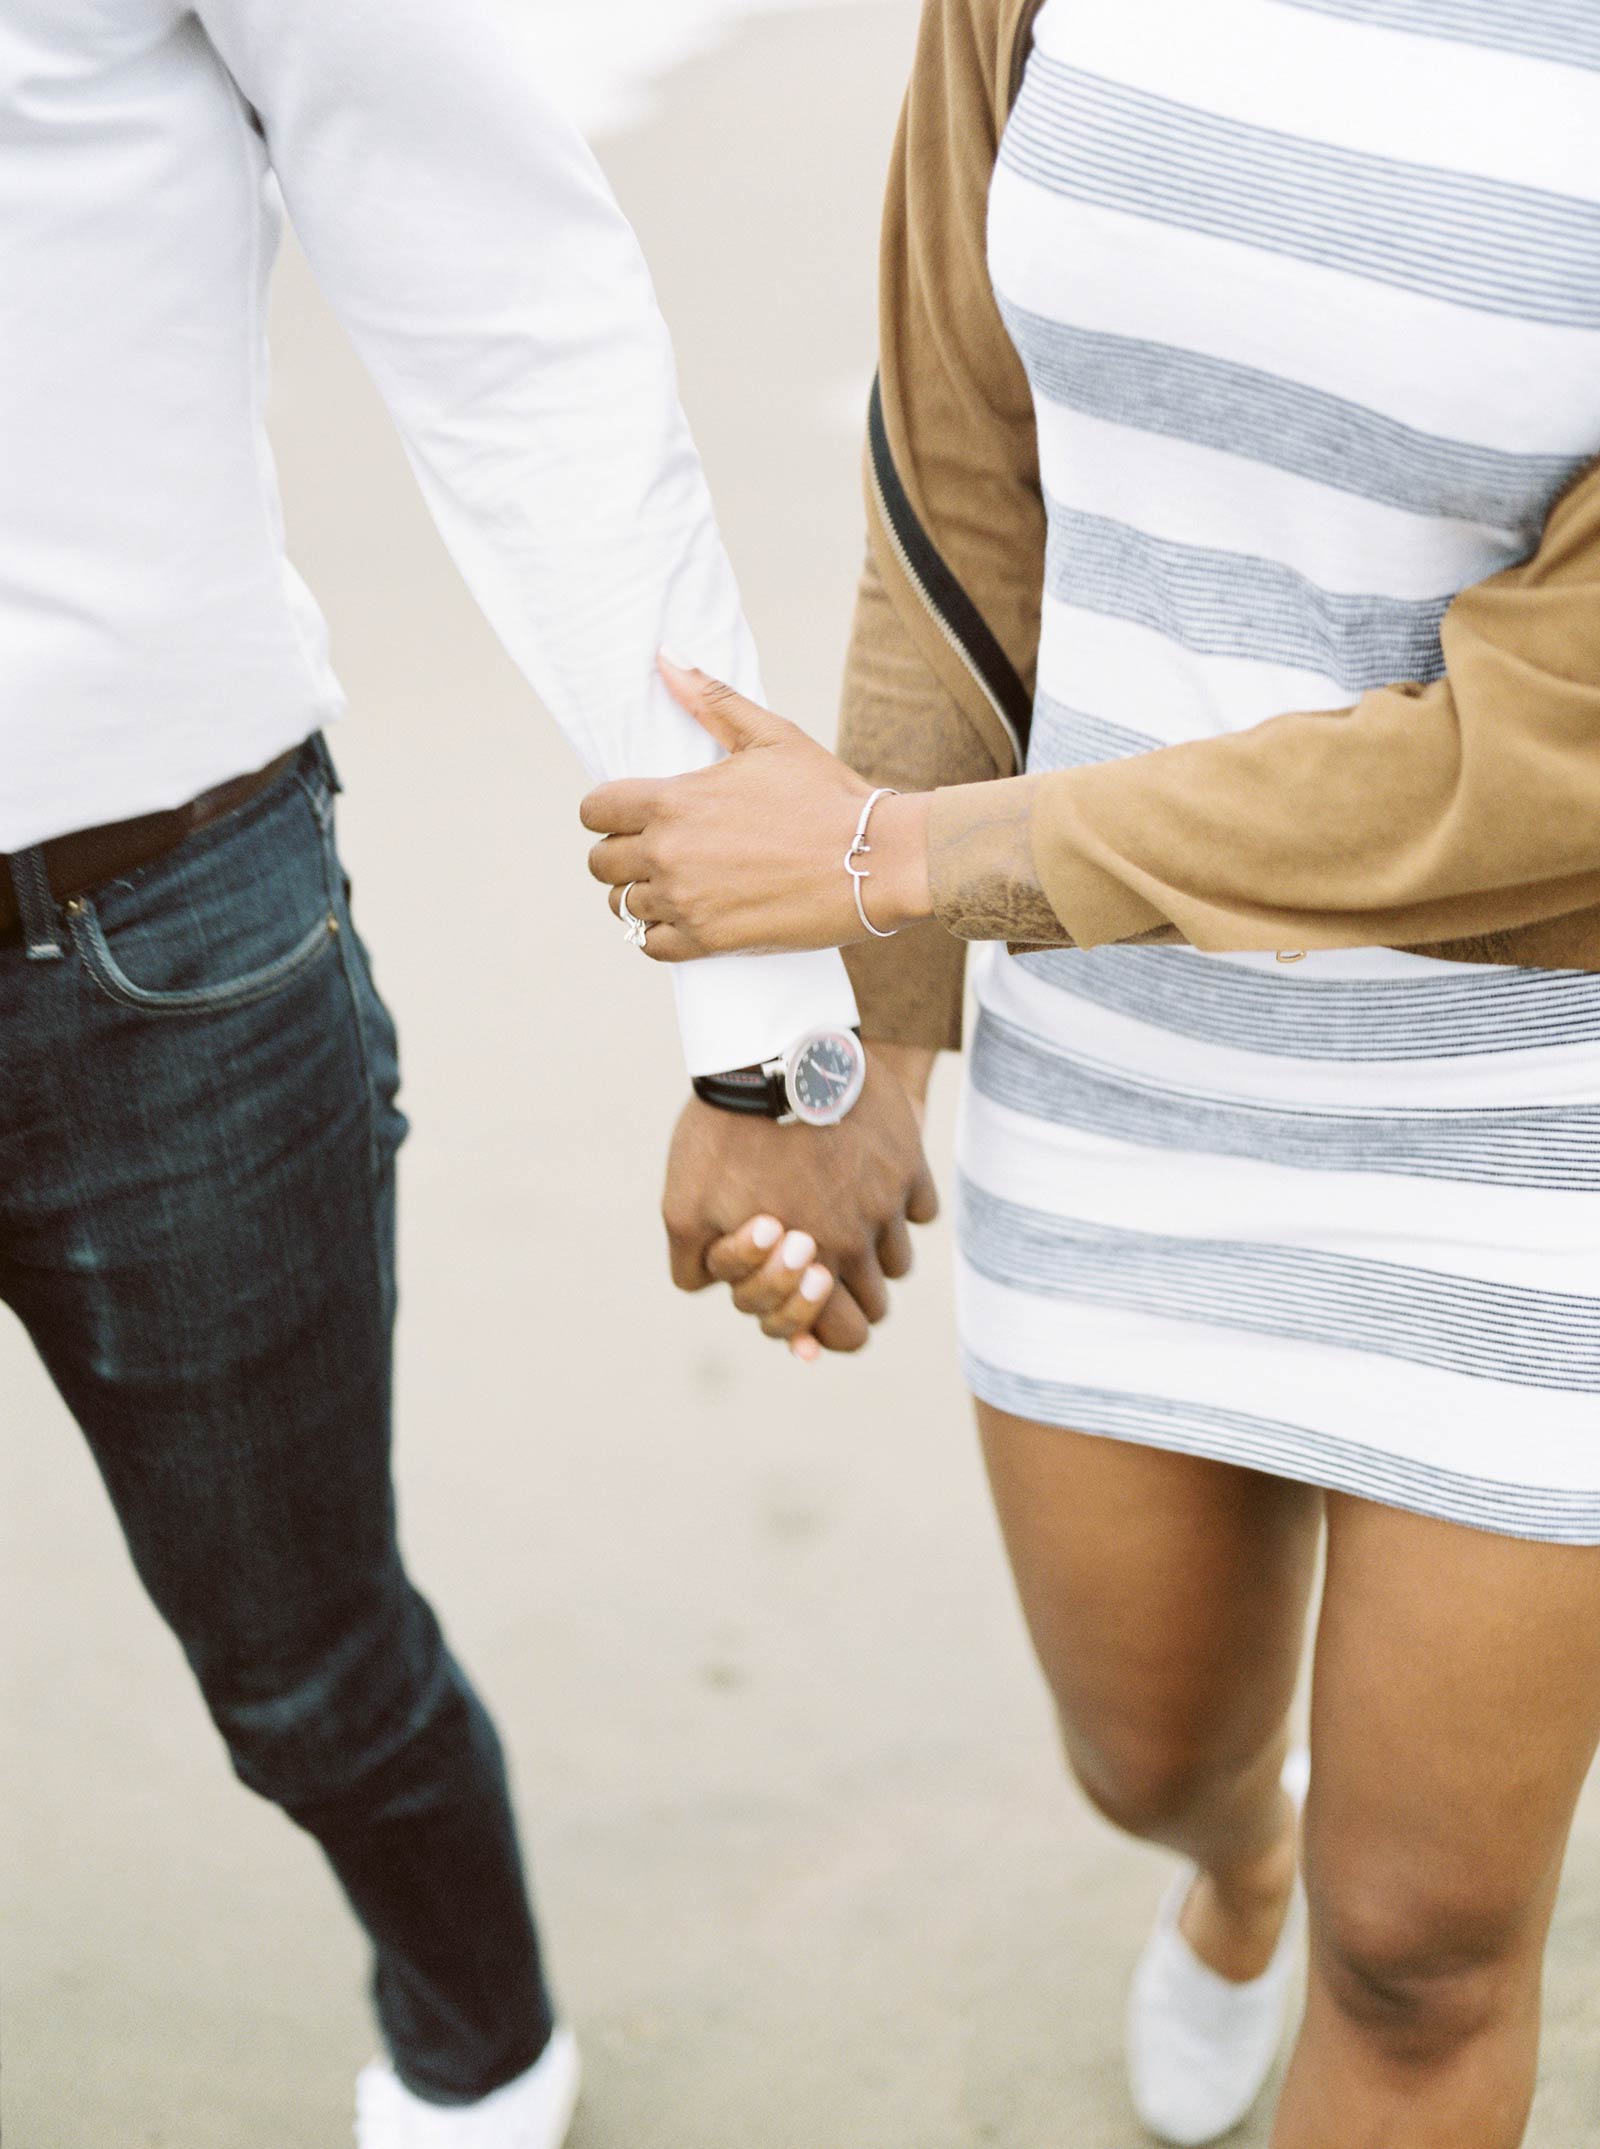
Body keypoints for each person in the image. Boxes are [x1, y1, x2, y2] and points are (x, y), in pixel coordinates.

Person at [582, 1, 1600, 2142]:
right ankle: (1234, 1867)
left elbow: (1550, 757)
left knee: (1417, 1946)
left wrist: (897, 866)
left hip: (1538, 1106)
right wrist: (851, 1051)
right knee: (1143, 1752)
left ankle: (1329, 1914)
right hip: (1110, 1046)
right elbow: (962, 486)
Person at [2, 3, 936, 2144]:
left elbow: (505, 309)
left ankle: (480, 2051)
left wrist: (759, 1034)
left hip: (150, 947)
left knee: (306, 1673)